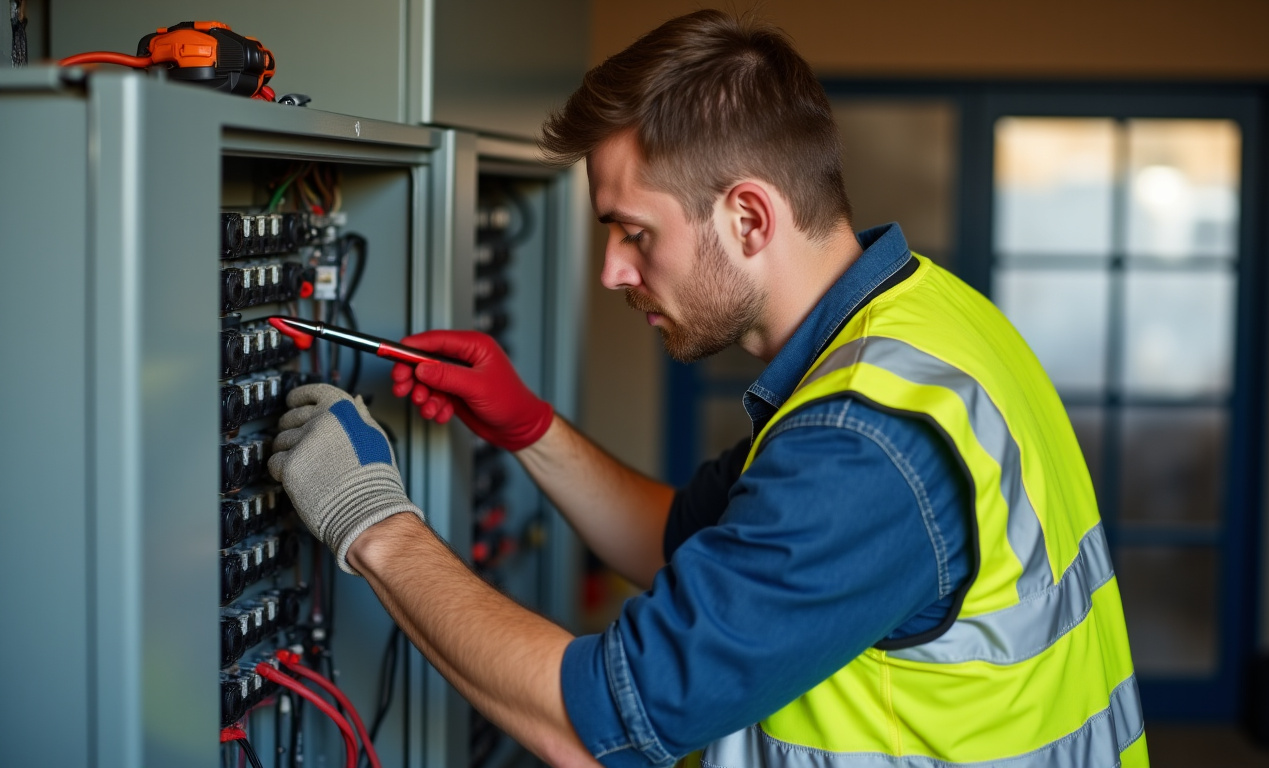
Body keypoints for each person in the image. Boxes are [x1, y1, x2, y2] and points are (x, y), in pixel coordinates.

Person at [267, 9, 1148, 768]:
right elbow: (676, 540)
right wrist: (528, 427)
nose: (613, 271)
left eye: (634, 232)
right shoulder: (923, 320)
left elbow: (594, 723)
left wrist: (371, 522)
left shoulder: (865, 444)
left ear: (749, 217)